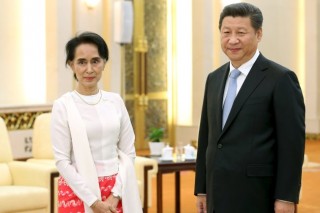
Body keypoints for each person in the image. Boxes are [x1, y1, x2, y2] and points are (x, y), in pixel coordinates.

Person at [194, 3, 305, 213]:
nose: (232, 39)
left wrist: (286, 197)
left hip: (257, 194)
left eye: (241, 32)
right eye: (226, 32)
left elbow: (292, 145)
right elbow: (206, 136)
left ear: (259, 34)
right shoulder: (214, 79)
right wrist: (202, 188)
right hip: (217, 192)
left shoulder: (280, 79)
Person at [51, 32, 142, 213]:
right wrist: (94, 202)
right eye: (82, 62)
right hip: (77, 191)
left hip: (117, 189)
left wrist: (115, 195)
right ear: (71, 65)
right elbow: (62, 161)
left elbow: (128, 152)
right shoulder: (63, 106)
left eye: (95, 61)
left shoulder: (115, 101)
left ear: (104, 63)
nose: (89, 69)